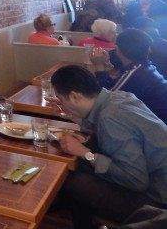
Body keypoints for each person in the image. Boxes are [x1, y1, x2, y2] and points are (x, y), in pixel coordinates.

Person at [51, 65, 167, 228]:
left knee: (74, 181)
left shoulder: (110, 118)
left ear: (74, 96)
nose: (61, 105)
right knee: (79, 168)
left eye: (61, 99)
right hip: (155, 180)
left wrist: (86, 153)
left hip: (157, 202)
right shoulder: (117, 98)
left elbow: (136, 180)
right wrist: (82, 134)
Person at [90, 29, 167, 124]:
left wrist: (98, 66)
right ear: (148, 49)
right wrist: (107, 66)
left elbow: (105, 99)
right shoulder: (145, 67)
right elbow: (117, 86)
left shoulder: (135, 74)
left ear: (118, 50)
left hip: (157, 133)